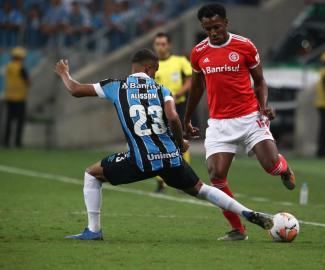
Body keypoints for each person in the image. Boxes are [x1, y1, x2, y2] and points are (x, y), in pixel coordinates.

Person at [53, 48, 273, 240]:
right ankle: (246, 212)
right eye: (155, 69)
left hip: (140, 160)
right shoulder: (162, 90)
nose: (156, 73)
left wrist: (65, 73)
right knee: (202, 189)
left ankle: (93, 230)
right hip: (170, 158)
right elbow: (173, 118)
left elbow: (75, 89)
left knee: (92, 174)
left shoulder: (115, 87)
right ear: (149, 68)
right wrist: (180, 143)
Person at [184, 4, 295, 241]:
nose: (213, 32)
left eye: (216, 27)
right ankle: (238, 229)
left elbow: (261, 81)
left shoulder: (244, 46)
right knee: (216, 175)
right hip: (219, 123)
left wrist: (264, 105)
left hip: (249, 117)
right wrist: (187, 118)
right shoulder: (198, 53)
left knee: (271, 166)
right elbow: (196, 87)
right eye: (207, 29)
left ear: (226, 22)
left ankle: (284, 168)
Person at [153, 32, 193, 193]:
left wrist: (177, 94)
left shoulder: (180, 61)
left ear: (169, 45)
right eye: (158, 44)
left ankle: (184, 179)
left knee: (181, 141)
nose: (161, 47)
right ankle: (161, 182)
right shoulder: (151, 64)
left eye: (163, 44)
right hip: (156, 109)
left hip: (178, 107)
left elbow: (190, 81)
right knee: (156, 143)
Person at [3, 47, 30, 148]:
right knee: (19, 122)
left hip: (9, 96)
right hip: (19, 97)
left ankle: (6, 142)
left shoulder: (8, 66)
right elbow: (28, 81)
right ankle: (17, 142)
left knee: (9, 121)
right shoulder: (21, 67)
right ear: (21, 57)